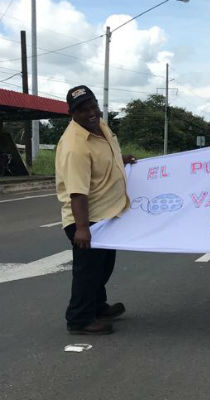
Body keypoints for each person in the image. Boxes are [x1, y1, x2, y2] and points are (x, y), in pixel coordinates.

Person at [55, 85, 136, 335]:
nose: (90, 112)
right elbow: (78, 191)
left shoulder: (101, 127)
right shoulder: (74, 146)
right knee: (87, 272)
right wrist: (82, 229)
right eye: (82, 109)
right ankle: (79, 319)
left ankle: (98, 306)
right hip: (86, 220)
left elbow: (103, 158)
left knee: (103, 267)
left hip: (105, 215)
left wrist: (121, 161)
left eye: (92, 106)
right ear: (73, 113)